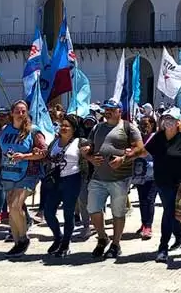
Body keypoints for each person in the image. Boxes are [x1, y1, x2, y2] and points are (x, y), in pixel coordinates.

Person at [81, 99, 144, 259]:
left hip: (120, 178)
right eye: (106, 109)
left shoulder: (129, 127)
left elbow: (141, 149)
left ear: (119, 111)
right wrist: (89, 156)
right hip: (98, 176)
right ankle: (102, 237)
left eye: (111, 109)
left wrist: (123, 159)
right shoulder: (97, 127)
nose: (107, 111)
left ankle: (116, 244)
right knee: (93, 208)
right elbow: (88, 146)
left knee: (117, 212)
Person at [142, 108, 181, 264]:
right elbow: (144, 151)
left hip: (180, 183)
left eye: (172, 119)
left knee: (170, 212)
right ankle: (170, 243)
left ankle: (164, 247)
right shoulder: (158, 137)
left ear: (178, 122)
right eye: (165, 119)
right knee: (170, 211)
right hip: (162, 182)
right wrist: (126, 156)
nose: (168, 122)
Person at [0, 100, 47, 257]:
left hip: (28, 173)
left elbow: (44, 152)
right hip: (8, 172)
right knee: (12, 208)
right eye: (17, 111)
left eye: (23, 111)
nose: (20, 114)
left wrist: (25, 156)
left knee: (15, 205)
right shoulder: (5, 130)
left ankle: (23, 238)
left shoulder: (33, 131)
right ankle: (17, 241)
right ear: (11, 113)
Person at [44, 114, 85, 258]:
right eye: (62, 125)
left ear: (74, 129)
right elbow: (47, 157)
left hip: (72, 180)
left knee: (68, 214)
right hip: (55, 181)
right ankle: (58, 237)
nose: (64, 128)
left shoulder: (80, 142)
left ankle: (66, 243)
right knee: (48, 212)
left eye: (67, 126)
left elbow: (90, 155)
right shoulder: (54, 142)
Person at [131, 115, 157, 240]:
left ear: (152, 125)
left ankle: (148, 226)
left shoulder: (155, 137)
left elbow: (144, 152)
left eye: (146, 124)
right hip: (139, 173)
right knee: (142, 200)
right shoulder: (138, 138)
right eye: (141, 124)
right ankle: (143, 223)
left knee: (149, 199)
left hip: (152, 174)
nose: (143, 127)